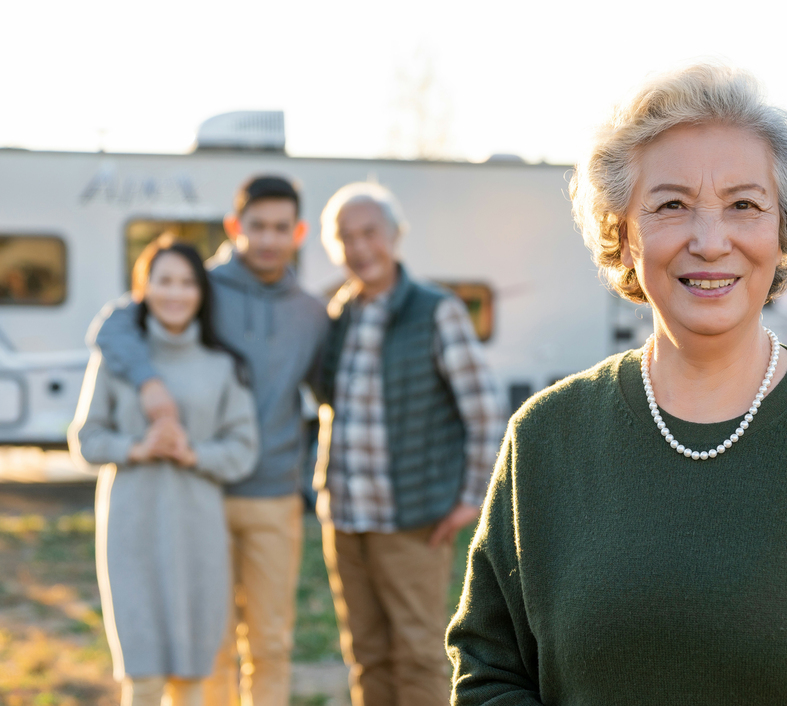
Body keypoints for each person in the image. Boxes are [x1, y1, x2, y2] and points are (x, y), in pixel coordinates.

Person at [446, 65, 787, 705]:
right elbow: (490, 674)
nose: (710, 242)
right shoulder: (544, 442)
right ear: (623, 236)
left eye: (744, 205)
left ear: (783, 233)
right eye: (671, 205)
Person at [88, 176, 330, 706]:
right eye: (256, 226)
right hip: (201, 496)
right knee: (207, 648)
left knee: (270, 643)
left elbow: (330, 389)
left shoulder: (312, 314)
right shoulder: (201, 286)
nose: (267, 239)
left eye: (280, 228)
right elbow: (114, 325)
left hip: (272, 495)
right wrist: (150, 383)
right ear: (234, 226)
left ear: (299, 233)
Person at [313, 182, 505, 706]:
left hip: (413, 517)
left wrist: (469, 498)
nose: (359, 248)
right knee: (365, 654)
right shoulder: (339, 313)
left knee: (417, 656)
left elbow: (485, 410)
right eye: (345, 237)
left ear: (395, 235)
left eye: (370, 232)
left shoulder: (434, 310)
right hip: (346, 519)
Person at [70, 237, 259, 706]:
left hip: (198, 533)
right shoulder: (116, 362)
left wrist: (192, 453)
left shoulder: (222, 366)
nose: (175, 293)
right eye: (164, 280)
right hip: (131, 531)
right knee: (143, 676)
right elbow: (86, 440)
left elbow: (243, 450)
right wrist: (138, 446)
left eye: (186, 282)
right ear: (143, 287)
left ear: (201, 292)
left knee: (192, 678)